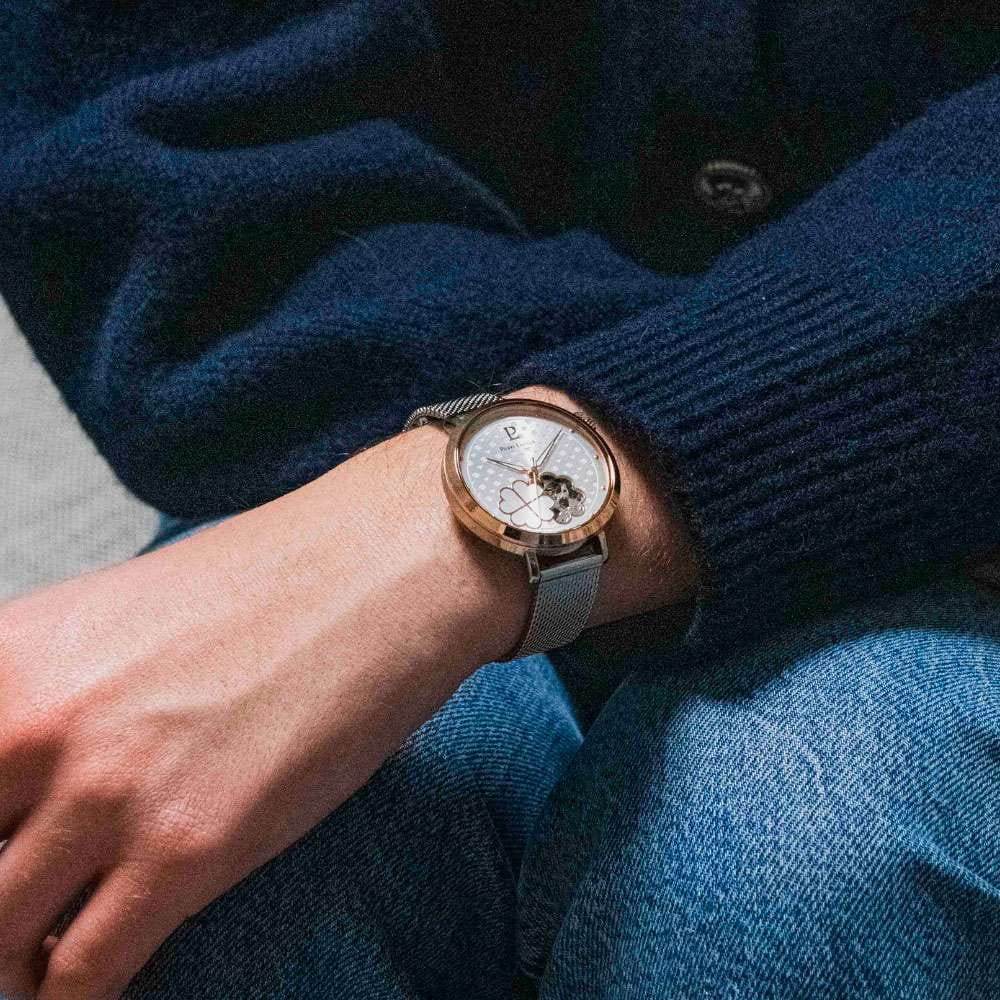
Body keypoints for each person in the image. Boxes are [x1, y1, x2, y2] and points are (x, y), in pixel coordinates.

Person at [0, 3, 998, 997]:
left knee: (807, 837)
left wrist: (466, 529)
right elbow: (186, 194)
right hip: (339, 428)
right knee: (197, 877)